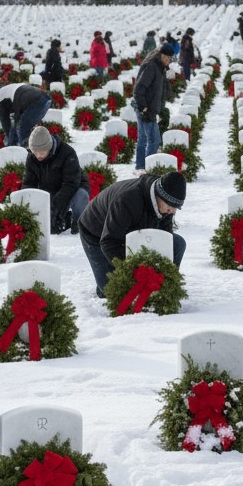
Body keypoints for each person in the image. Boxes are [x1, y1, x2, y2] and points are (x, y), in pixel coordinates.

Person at [77, 171, 186, 297]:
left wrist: (158, 275)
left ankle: (166, 285)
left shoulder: (167, 206)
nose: (173, 211)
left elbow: (163, 237)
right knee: (112, 292)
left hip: (132, 231)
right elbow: (109, 243)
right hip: (97, 233)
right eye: (171, 206)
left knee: (177, 244)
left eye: (177, 207)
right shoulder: (127, 199)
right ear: (159, 196)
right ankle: (102, 278)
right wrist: (135, 270)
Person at [23, 125, 89, 235]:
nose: (38, 155)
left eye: (42, 152)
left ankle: (79, 224)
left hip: (73, 189)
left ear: (49, 147)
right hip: (49, 191)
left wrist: (54, 207)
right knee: (51, 226)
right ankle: (65, 218)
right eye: (35, 152)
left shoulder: (67, 153)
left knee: (81, 196)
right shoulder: (31, 157)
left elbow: (71, 183)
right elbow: (29, 183)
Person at [132, 43, 174, 172]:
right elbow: (138, 89)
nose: (168, 60)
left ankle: (140, 167)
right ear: (160, 55)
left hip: (148, 108)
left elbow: (159, 90)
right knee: (154, 140)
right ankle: (147, 168)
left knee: (143, 138)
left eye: (170, 58)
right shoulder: (152, 67)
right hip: (146, 109)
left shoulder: (160, 68)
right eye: (166, 57)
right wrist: (144, 108)